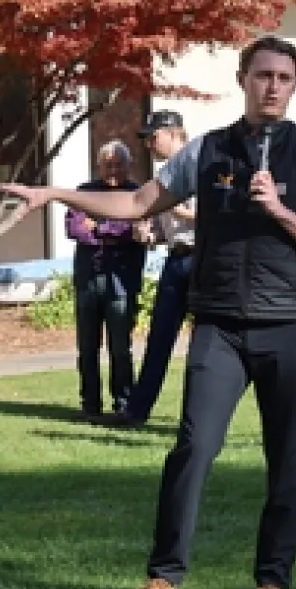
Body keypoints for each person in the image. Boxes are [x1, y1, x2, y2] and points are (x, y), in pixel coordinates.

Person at [0, 35, 296, 589]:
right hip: (220, 325)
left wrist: (281, 211)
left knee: (288, 458)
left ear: (294, 85)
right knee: (192, 447)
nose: (273, 86)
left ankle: (272, 587)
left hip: (290, 324)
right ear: (243, 79)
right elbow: (138, 204)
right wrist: (57, 193)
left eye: (284, 77)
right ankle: (162, 581)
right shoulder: (207, 152)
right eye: (263, 74)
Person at [102, 110, 194, 428]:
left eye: (153, 137)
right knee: (159, 339)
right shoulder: (163, 175)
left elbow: (217, 213)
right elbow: (160, 222)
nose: (149, 145)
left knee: (204, 344)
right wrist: (150, 234)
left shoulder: (203, 164)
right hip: (175, 259)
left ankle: (196, 417)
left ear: (173, 133)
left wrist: (177, 210)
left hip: (201, 260)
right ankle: (136, 411)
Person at [67, 140, 152, 419]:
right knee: (87, 347)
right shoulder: (85, 192)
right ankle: (90, 405)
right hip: (88, 279)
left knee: (120, 347)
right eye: (107, 165)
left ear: (128, 166)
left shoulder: (138, 194)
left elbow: (135, 232)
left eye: (118, 164)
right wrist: (116, 228)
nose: (112, 170)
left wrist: (100, 226)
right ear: (98, 166)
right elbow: (75, 228)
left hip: (121, 281)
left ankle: (123, 404)